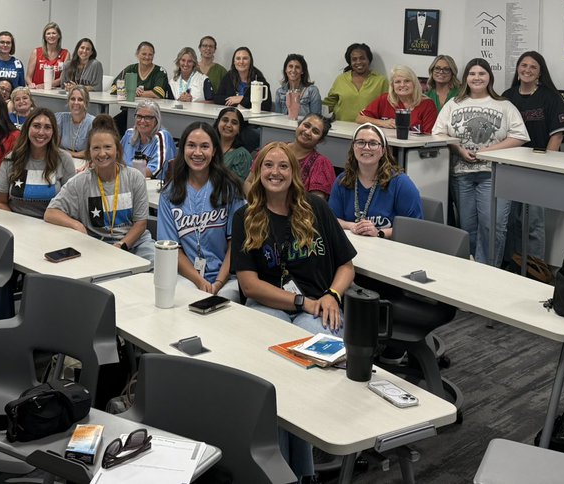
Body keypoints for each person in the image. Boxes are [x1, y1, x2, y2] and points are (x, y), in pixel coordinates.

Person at [231, 142, 355, 484]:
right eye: (268, 166)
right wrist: (301, 302)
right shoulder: (245, 217)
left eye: (283, 166)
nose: (275, 172)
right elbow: (249, 285)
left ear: (294, 173)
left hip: (320, 305)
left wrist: (332, 294)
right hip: (269, 306)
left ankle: (298, 472)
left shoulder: (316, 208)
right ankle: (290, 471)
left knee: (308, 370)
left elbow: (346, 266)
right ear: (258, 172)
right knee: (275, 375)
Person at [432, 58, 529, 265]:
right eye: (472, 74)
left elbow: (520, 136)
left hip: (494, 175)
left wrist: (488, 152)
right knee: (467, 228)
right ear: (466, 78)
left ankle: (488, 271)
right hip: (461, 173)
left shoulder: (504, 105)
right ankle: (471, 269)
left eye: (482, 73)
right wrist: (459, 150)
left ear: (489, 77)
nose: (477, 78)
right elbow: (438, 133)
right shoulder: (454, 104)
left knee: (492, 226)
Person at [158, 122, 245, 300]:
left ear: (214, 151)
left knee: (224, 300)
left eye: (204, 146)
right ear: (182, 149)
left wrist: (218, 283)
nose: (197, 153)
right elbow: (173, 250)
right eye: (191, 145)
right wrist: (199, 281)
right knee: (187, 299)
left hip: (227, 277)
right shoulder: (169, 194)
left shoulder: (230, 188)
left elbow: (235, 245)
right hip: (186, 276)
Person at [45, 121, 155, 261]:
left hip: (135, 243)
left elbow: (140, 224)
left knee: (155, 265)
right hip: (98, 245)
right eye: (96, 148)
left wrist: (121, 245)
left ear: (117, 150)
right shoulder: (80, 182)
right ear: (89, 152)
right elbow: (51, 212)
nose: (102, 153)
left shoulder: (135, 177)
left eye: (108, 147)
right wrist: (76, 224)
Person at [502, 51, 564, 264]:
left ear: (540, 73)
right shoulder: (507, 96)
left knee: (533, 224)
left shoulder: (551, 98)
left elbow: (556, 137)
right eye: (524, 65)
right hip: (510, 168)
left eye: (533, 67)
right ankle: (512, 266)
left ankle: (534, 271)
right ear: (517, 69)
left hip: (537, 170)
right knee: (510, 221)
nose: (527, 70)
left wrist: (544, 166)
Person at [329, 123, 423, 237]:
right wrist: (353, 226)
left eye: (373, 143)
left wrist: (379, 233)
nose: (366, 147)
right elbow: (331, 219)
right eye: (360, 142)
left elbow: (414, 227)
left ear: (383, 150)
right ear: (353, 147)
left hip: (388, 245)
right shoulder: (343, 180)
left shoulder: (400, 183)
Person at [0, 109, 77, 218]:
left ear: (53, 132)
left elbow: (71, 203)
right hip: (16, 222)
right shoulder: (11, 159)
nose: (41, 132)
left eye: (47, 127)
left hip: (51, 223)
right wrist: (14, 223)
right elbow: (0, 202)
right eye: (36, 126)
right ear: (27, 128)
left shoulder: (64, 159)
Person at [358, 65, 438, 134]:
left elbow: (429, 136)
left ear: (414, 83)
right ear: (392, 85)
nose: (402, 85)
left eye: (407, 81)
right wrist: (382, 123)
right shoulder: (385, 99)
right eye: (398, 82)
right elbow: (360, 118)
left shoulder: (427, 104)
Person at [324, 42, 388, 122]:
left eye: (362, 58)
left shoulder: (381, 81)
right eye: (354, 59)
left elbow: (387, 106)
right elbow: (329, 103)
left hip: (369, 127)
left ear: (369, 60)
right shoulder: (341, 79)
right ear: (350, 62)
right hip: (341, 127)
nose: (358, 62)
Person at [120, 100, 177, 179]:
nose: (142, 121)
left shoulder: (162, 136)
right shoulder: (129, 134)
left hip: (153, 184)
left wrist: (122, 174)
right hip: (125, 180)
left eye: (147, 118)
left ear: (156, 120)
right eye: (139, 116)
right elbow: (115, 160)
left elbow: (152, 172)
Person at [287, 113, 336, 196]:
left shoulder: (321, 164)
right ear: (299, 125)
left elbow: (316, 201)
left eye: (315, 132)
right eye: (306, 125)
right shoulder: (275, 150)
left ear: (320, 140)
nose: (307, 132)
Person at [214, 46, 273, 110]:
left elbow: (266, 106)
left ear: (250, 61)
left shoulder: (259, 79)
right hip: (232, 114)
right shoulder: (229, 76)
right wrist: (235, 99)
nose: (241, 62)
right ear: (234, 62)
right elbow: (217, 98)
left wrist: (242, 99)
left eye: (245, 58)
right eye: (238, 58)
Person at [274, 53, 322, 119]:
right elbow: (278, 118)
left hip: (304, 125)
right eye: (290, 66)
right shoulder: (279, 92)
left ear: (302, 71)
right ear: (285, 70)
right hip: (284, 125)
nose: (293, 70)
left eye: (297, 67)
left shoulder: (312, 91)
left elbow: (316, 118)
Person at [55, 84, 95, 158]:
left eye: (80, 99)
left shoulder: (92, 123)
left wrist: (71, 154)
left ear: (86, 102)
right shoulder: (61, 118)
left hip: (83, 162)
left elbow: (93, 150)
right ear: (68, 101)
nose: (76, 102)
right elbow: (54, 146)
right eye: (73, 99)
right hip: (63, 160)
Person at [215, 106, 253, 184]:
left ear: (239, 129)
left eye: (234, 123)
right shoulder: (209, 147)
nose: (228, 125)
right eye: (225, 120)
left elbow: (235, 186)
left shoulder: (242, 156)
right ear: (218, 123)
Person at [27, 22, 68, 90]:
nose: (51, 36)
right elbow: (28, 77)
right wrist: (31, 84)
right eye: (48, 33)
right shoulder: (36, 52)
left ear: (59, 35)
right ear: (45, 37)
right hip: (37, 90)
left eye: (54, 33)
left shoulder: (65, 54)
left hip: (55, 92)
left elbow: (62, 78)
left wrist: (45, 85)